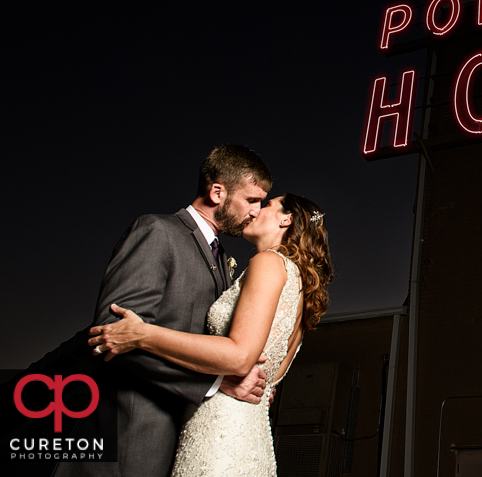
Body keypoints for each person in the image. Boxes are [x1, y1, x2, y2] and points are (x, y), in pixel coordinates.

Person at [52, 144, 275, 477]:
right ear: (217, 192)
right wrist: (215, 383)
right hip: (134, 433)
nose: (257, 211)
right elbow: (113, 333)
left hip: (186, 435)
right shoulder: (158, 231)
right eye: (252, 200)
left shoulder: (222, 258)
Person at [88, 193, 333, 477]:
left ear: (286, 219)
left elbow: (240, 357)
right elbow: (266, 376)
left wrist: (142, 334)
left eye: (266, 205)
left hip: (220, 429)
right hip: (252, 437)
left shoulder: (268, 263)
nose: (255, 212)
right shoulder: (299, 285)